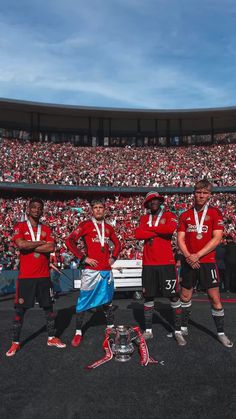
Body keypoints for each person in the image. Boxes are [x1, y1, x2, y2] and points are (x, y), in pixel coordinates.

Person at [6, 198, 66, 357]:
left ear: (42, 211)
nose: (36, 210)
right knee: (20, 311)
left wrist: (30, 243)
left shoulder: (47, 228)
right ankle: (15, 342)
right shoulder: (20, 226)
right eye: (33, 207)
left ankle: (51, 337)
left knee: (49, 309)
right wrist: (40, 243)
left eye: (39, 208)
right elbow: (21, 245)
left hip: (44, 277)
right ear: (28, 210)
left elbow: (51, 247)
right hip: (26, 277)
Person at [177, 179, 233, 347]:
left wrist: (197, 255)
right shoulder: (185, 215)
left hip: (207, 262)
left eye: (204, 193)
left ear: (210, 195)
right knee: (185, 296)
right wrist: (189, 256)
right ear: (194, 193)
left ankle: (221, 333)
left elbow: (217, 239)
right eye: (198, 192)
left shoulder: (215, 213)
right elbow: (180, 239)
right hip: (188, 261)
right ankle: (183, 327)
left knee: (214, 297)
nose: (201, 195)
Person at [65, 199, 121, 347]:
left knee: (108, 301)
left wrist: (113, 257)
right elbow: (69, 241)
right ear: (92, 210)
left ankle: (110, 328)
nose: (98, 210)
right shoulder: (85, 225)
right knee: (83, 301)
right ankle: (78, 332)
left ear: (105, 210)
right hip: (91, 271)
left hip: (106, 271)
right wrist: (83, 258)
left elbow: (118, 244)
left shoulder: (109, 228)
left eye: (100, 207)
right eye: (95, 207)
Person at [135, 192, 186, 346]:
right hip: (149, 264)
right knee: (148, 297)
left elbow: (169, 230)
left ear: (159, 201)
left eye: (155, 200)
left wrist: (149, 232)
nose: (153, 202)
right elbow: (138, 234)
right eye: (150, 201)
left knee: (174, 297)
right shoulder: (144, 218)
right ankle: (148, 331)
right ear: (148, 204)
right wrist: (158, 231)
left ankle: (177, 332)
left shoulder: (169, 215)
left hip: (166, 263)